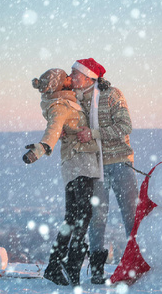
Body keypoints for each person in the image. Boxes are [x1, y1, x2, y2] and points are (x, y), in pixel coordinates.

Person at [23, 68, 101, 287]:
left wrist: (99, 83)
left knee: (73, 217)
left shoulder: (68, 101)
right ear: (59, 84)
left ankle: (54, 266)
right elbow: (53, 129)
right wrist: (40, 149)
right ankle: (71, 265)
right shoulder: (60, 105)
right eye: (66, 77)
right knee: (83, 214)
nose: (70, 78)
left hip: (76, 164)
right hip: (79, 163)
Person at [70, 58, 139, 284]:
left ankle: (136, 266)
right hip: (94, 166)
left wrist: (94, 133)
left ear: (89, 77)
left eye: (75, 73)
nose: (71, 77)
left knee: (130, 216)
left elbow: (125, 126)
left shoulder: (111, 95)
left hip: (120, 163)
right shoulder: (74, 100)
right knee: (97, 218)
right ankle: (97, 270)